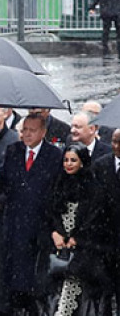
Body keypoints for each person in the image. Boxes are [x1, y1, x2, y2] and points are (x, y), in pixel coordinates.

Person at [0, 114, 63, 315]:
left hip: (40, 224)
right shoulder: (13, 151)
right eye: (24, 130)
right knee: (14, 275)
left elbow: (57, 192)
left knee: (36, 279)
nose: (27, 134)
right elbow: (5, 186)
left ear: (43, 132)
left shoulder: (54, 155)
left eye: (32, 130)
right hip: (15, 223)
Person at [44, 143, 113, 315]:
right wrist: (55, 233)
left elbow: (96, 219)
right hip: (60, 250)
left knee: (77, 298)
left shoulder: (93, 187)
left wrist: (78, 238)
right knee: (56, 294)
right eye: (66, 160)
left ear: (82, 161)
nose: (68, 164)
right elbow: (49, 213)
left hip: (84, 253)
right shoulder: (58, 183)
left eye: (73, 160)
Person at [91, 129, 120, 309]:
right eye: (114, 142)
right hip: (106, 238)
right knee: (105, 290)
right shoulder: (101, 165)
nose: (116, 147)